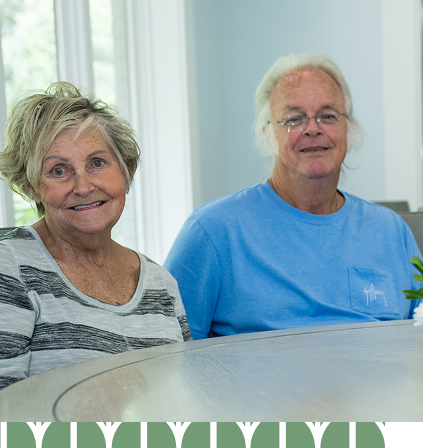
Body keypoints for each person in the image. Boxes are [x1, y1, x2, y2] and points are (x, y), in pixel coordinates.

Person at [0, 82, 192, 421]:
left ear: (125, 172)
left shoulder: (161, 283)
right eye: (59, 170)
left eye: (97, 163)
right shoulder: (9, 263)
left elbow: (186, 395)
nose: (84, 186)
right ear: (32, 187)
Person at [164, 53, 422, 340]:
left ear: (348, 128)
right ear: (267, 134)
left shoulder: (391, 231)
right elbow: (167, 357)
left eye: (327, 115)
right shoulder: (212, 232)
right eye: (294, 119)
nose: (313, 129)